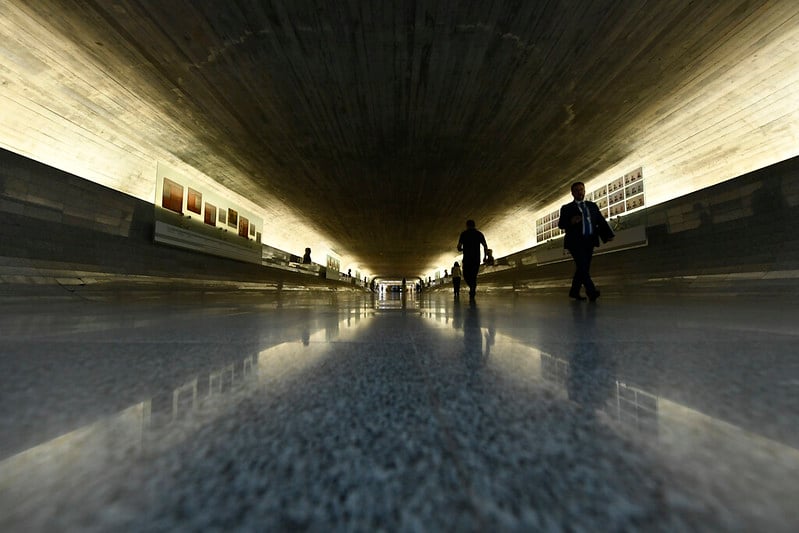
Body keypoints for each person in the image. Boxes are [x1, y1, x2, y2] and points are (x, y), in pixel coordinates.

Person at [557, 181, 614, 301]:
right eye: (577, 190)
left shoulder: (592, 206)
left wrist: (608, 234)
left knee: (583, 268)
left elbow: (600, 220)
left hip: (589, 241)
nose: (580, 192)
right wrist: (571, 222)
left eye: (582, 189)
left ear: (584, 191)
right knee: (582, 267)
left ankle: (574, 291)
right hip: (575, 242)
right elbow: (561, 224)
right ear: (572, 193)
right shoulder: (566, 208)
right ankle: (591, 292)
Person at [457, 219, 488, 300]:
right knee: (473, 276)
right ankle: (472, 288)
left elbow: (459, 247)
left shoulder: (464, 234)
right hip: (476, 258)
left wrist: (462, 249)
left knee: (466, 275)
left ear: (467, 225)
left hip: (467, 259)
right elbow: (485, 246)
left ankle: (472, 287)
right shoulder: (479, 234)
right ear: (474, 225)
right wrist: (485, 256)